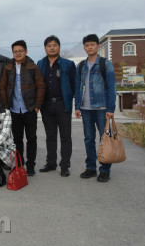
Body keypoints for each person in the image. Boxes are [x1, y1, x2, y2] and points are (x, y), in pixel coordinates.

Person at [0, 40, 45, 176]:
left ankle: (31, 165)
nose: (18, 53)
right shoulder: (8, 68)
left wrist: (37, 106)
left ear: (26, 51)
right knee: (16, 139)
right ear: (12, 53)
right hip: (13, 109)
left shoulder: (33, 67)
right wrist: (6, 105)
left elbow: (41, 86)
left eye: (20, 51)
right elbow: (2, 87)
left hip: (29, 109)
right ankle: (19, 163)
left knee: (31, 138)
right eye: (15, 51)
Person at [75, 34, 116, 182]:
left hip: (102, 107)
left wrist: (111, 109)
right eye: (87, 45)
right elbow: (78, 87)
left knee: (104, 138)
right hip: (85, 108)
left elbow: (112, 87)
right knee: (88, 138)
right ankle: (91, 167)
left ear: (98, 46)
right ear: (84, 47)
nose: (90, 47)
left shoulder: (106, 64)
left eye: (92, 44)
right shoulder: (81, 66)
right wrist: (77, 106)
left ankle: (105, 169)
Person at [37, 35, 76, 177]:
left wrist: (73, 103)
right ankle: (51, 163)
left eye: (54, 45)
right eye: (49, 45)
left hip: (62, 105)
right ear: (45, 48)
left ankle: (65, 165)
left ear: (59, 47)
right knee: (50, 136)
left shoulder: (68, 64)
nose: (52, 47)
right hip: (46, 105)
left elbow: (74, 86)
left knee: (65, 137)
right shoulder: (40, 64)